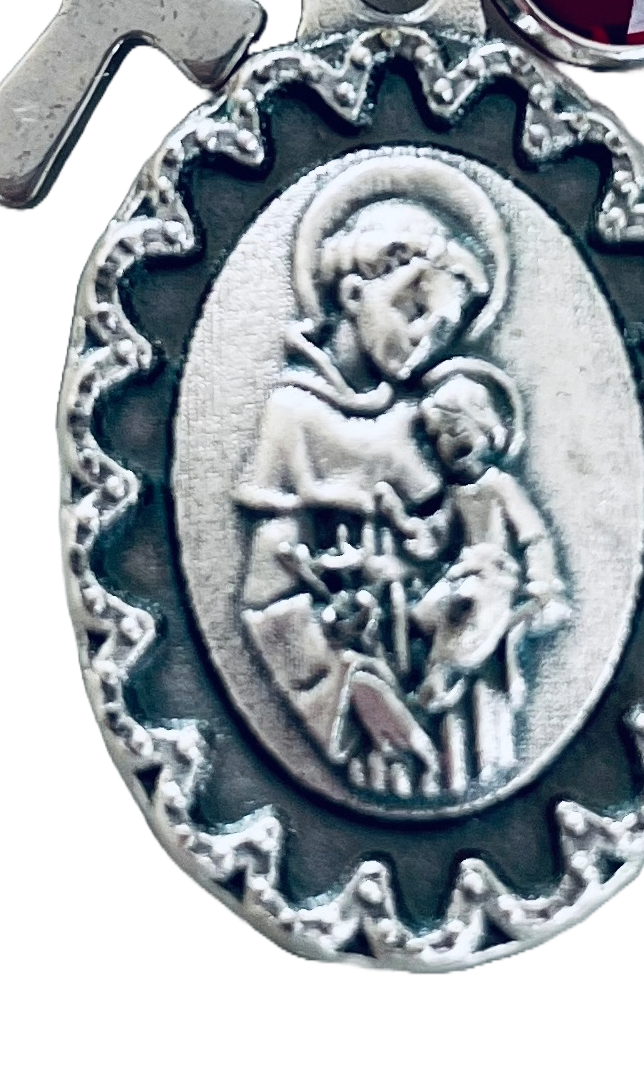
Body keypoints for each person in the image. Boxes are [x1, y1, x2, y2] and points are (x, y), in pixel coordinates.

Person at [235, 190, 493, 796]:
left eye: (444, 329)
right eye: (414, 310)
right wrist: (355, 687)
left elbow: (455, 549)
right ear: (353, 295)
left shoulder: (423, 423)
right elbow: (267, 602)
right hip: (348, 710)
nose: (425, 339)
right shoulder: (293, 418)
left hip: (438, 692)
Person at [391, 369, 570, 792]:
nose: (448, 444)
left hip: (496, 581)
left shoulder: (501, 486)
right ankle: (442, 708)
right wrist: (404, 524)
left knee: (467, 607)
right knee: (426, 612)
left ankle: (445, 682)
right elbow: (437, 540)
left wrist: (541, 583)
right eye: (439, 436)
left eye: (456, 430)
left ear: (486, 426)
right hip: (466, 574)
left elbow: (534, 536)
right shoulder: (456, 494)